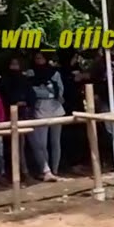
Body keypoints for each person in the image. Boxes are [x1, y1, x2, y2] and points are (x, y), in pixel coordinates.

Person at [28, 50, 67, 181]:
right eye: (37, 58)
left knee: (56, 141)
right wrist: (49, 92)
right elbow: (33, 91)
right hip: (40, 108)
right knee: (41, 143)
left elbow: (60, 90)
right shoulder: (31, 73)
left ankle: (55, 170)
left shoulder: (55, 73)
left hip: (56, 108)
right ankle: (45, 170)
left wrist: (51, 93)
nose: (39, 60)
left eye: (41, 58)